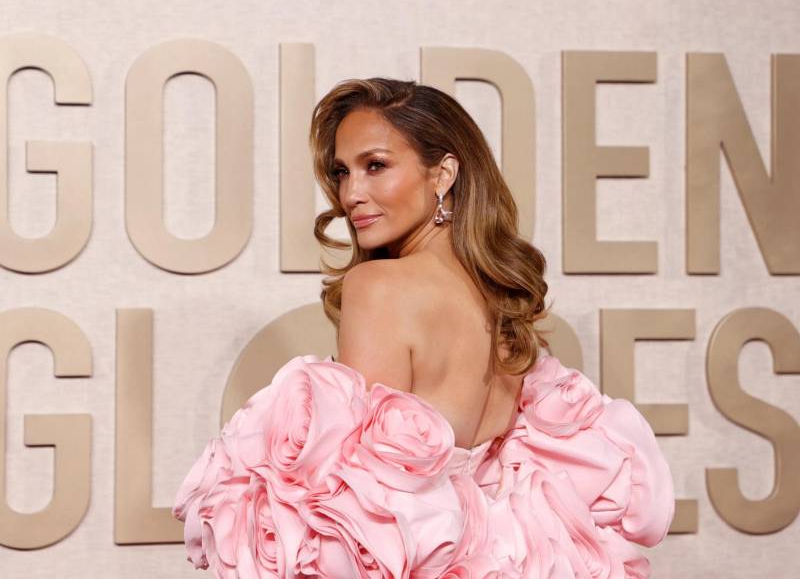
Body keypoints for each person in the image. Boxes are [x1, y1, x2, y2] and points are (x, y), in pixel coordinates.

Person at [172, 78, 675, 578]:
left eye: (376, 166)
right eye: (342, 172)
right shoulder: (497, 294)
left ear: (444, 174)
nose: (351, 193)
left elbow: (364, 503)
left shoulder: (378, 287)